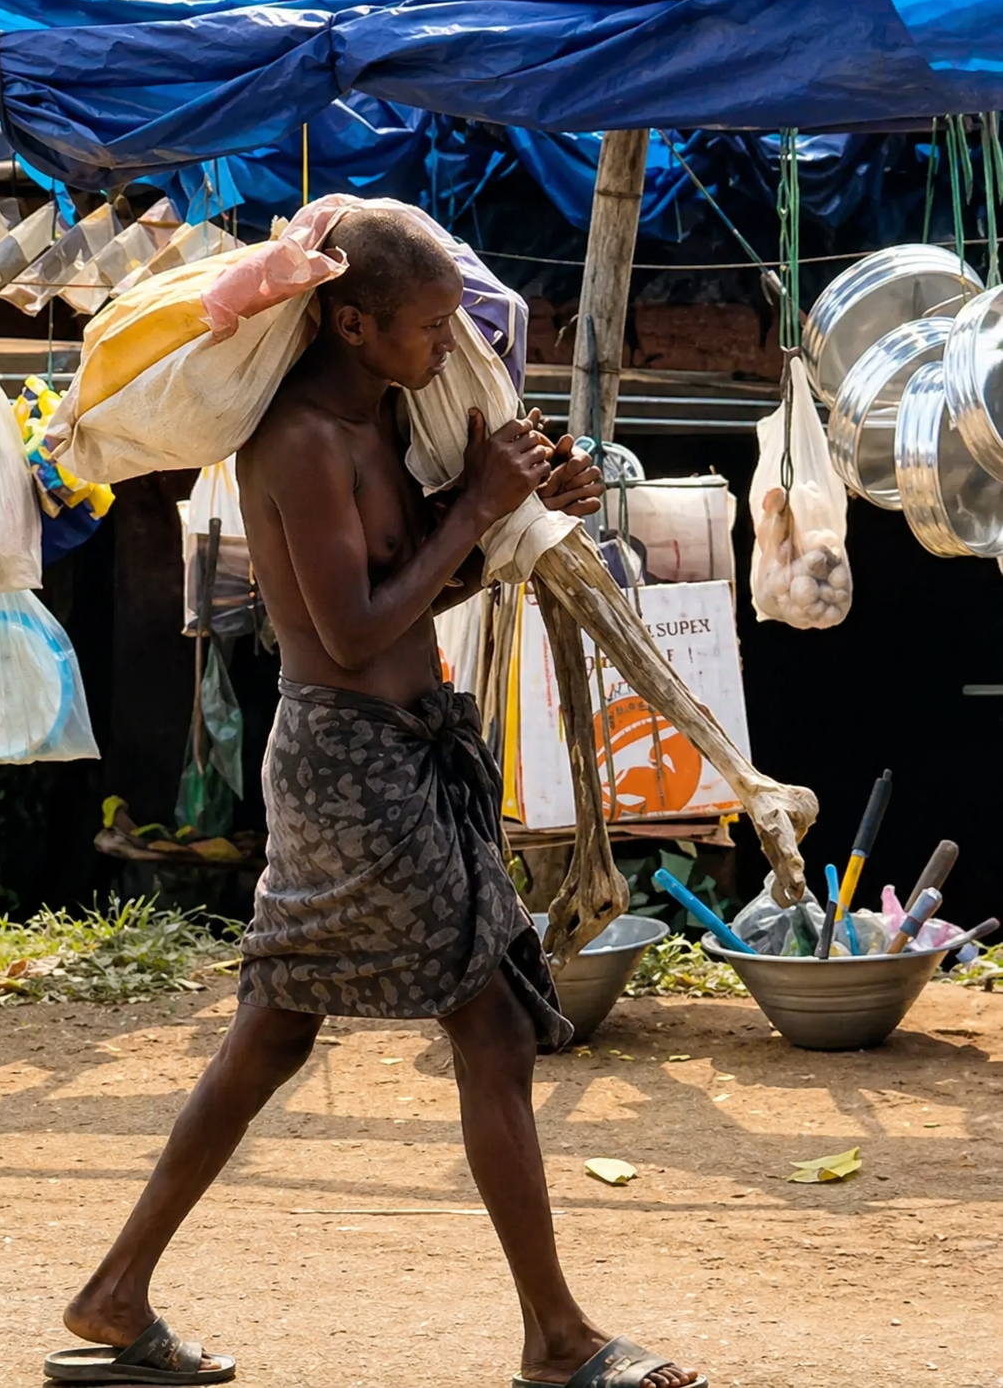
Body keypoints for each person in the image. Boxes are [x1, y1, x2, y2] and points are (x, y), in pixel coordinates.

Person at [46, 211, 705, 1388]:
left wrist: (518, 507)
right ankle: (557, 1340)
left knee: (276, 1029)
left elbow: (422, 585)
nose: (446, 343)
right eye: (426, 323)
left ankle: (113, 1291)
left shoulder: (385, 420)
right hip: (353, 763)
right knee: (488, 1029)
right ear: (350, 322)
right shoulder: (297, 441)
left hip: (397, 751)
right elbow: (349, 633)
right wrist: (473, 507)